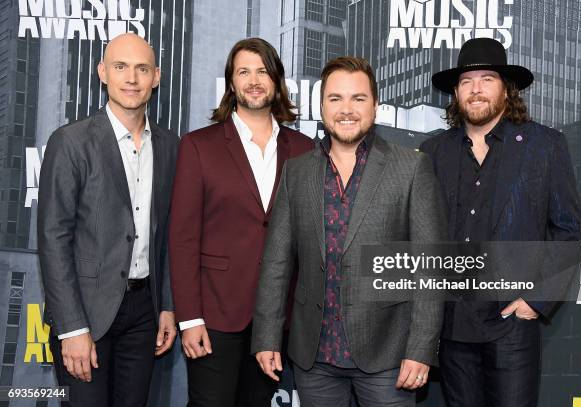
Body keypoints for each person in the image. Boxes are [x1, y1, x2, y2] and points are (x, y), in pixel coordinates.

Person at [251, 56, 447, 407]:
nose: (347, 110)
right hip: (315, 356)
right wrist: (266, 336)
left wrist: (420, 348)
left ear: (375, 105)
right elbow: (276, 263)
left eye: (358, 98)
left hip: (388, 356)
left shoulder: (411, 167)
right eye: (335, 99)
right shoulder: (296, 172)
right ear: (322, 106)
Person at [420, 37, 581, 407]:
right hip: (451, 328)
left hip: (511, 326)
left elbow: (569, 231)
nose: (476, 90)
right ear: (456, 93)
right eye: (466, 81)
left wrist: (535, 300)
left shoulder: (544, 146)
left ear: (506, 90)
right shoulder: (433, 152)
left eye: (487, 79)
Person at [169, 37, 313, 407]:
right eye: (243, 71)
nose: (253, 80)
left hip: (277, 316)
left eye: (262, 71)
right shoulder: (199, 145)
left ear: (277, 80)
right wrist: (189, 319)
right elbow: (183, 238)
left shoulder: (303, 148)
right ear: (231, 83)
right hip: (215, 314)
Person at [38, 33, 177, 407]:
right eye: (120, 66)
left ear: (156, 77)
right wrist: (71, 328)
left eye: (142, 68)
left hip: (143, 314)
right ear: (103, 72)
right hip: (86, 313)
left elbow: (167, 236)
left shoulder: (169, 146)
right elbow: (53, 240)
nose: (131, 78)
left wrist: (167, 306)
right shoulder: (70, 142)